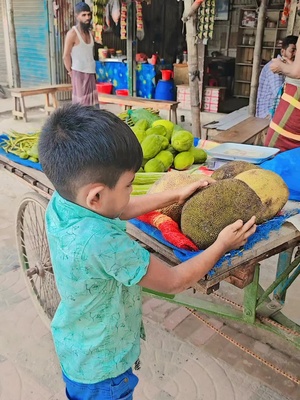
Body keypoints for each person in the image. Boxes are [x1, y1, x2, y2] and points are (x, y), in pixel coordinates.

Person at [38, 104, 256, 400]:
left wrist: (174, 194)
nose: (131, 190)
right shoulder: (105, 245)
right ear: (97, 195)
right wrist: (222, 245)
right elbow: (174, 281)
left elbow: (120, 208)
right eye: (129, 184)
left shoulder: (64, 201)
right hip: (105, 369)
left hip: (77, 348)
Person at [265, 34, 300, 151]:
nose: (295, 54)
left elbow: (297, 72)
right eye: (293, 50)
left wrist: (282, 67)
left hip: (288, 134)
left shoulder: (278, 64)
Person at [63, 2, 98, 106]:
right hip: (79, 73)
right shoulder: (72, 34)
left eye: (88, 14)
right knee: (82, 107)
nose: (87, 17)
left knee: (93, 106)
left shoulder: (91, 33)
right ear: (77, 16)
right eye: (83, 15)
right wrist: (70, 71)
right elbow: (66, 55)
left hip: (91, 73)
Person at [256, 35, 297, 119]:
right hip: (268, 115)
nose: (295, 54)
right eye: (292, 50)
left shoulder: (287, 67)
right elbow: (281, 96)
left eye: (298, 51)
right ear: (283, 51)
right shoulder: (275, 67)